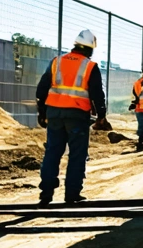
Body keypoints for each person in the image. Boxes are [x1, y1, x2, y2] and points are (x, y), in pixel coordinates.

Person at [36, 29, 108, 205]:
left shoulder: (56, 62)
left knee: (52, 152)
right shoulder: (90, 66)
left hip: (54, 114)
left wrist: (42, 112)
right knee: (77, 155)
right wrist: (101, 115)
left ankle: (46, 194)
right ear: (90, 49)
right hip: (77, 115)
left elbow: (41, 89)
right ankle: (72, 194)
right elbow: (97, 94)